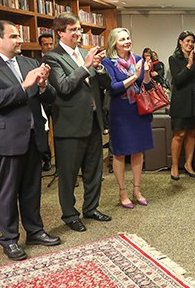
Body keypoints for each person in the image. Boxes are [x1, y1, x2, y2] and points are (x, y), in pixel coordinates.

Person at [0, 20, 60, 260]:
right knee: (7, 193)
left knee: (32, 189)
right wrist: (25, 84)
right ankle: (9, 239)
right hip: (2, 139)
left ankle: (35, 231)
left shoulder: (30, 62)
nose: (20, 40)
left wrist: (42, 86)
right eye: (14, 36)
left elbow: (49, 97)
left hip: (32, 136)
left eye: (19, 35)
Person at [44, 12, 112, 232]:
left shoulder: (85, 53)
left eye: (79, 29)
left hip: (93, 120)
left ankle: (91, 208)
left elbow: (105, 84)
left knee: (94, 170)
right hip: (70, 125)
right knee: (68, 174)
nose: (78, 33)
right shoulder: (52, 57)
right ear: (60, 32)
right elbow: (63, 87)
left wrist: (99, 68)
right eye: (72, 29)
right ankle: (70, 215)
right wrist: (85, 66)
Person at [102, 28, 154, 209]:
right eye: (122, 39)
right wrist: (134, 75)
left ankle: (137, 190)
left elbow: (144, 84)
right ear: (114, 43)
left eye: (128, 38)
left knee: (138, 151)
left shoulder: (138, 59)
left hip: (138, 110)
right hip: (120, 112)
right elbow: (114, 88)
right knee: (120, 152)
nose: (127, 41)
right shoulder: (108, 62)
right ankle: (122, 191)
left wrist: (145, 73)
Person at [168, 30, 195, 180]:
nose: (190, 44)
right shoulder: (173, 59)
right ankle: (174, 166)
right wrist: (189, 65)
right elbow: (178, 80)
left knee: (192, 133)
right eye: (187, 41)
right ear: (180, 42)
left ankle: (188, 164)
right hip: (180, 100)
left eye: (192, 41)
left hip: (194, 99)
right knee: (179, 134)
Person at [37, 33, 54, 171]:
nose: (49, 47)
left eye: (50, 44)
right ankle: (46, 158)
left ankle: (62, 166)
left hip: (56, 99)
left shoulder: (57, 59)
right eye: (45, 44)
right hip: (41, 101)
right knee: (42, 132)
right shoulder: (35, 61)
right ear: (40, 46)